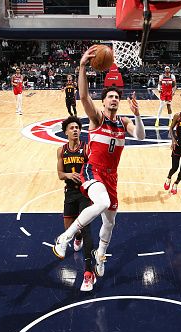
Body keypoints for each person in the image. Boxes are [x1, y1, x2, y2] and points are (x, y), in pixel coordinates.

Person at [52, 45, 146, 280]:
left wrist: (137, 115)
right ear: (103, 102)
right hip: (92, 170)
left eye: (117, 97)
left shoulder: (124, 122)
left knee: (110, 221)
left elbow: (141, 136)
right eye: (110, 97)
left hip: (112, 176)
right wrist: (82, 66)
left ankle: (101, 254)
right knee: (102, 202)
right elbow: (83, 96)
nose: (114, 99)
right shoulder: (97, 118)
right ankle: (65, 237)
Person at [57, 116, 96, 291]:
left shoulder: (87, 148)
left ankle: (89, 273)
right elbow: (59, 174)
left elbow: (94, 169)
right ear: (65, 131)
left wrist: (84, 178)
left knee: (87, 229)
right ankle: (77, 236)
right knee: (69, 229)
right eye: (72, 128)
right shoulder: (61, 150)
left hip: (85, 193)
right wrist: (68, 175)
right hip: (70, 193)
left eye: (77, 128)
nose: (75, 130)